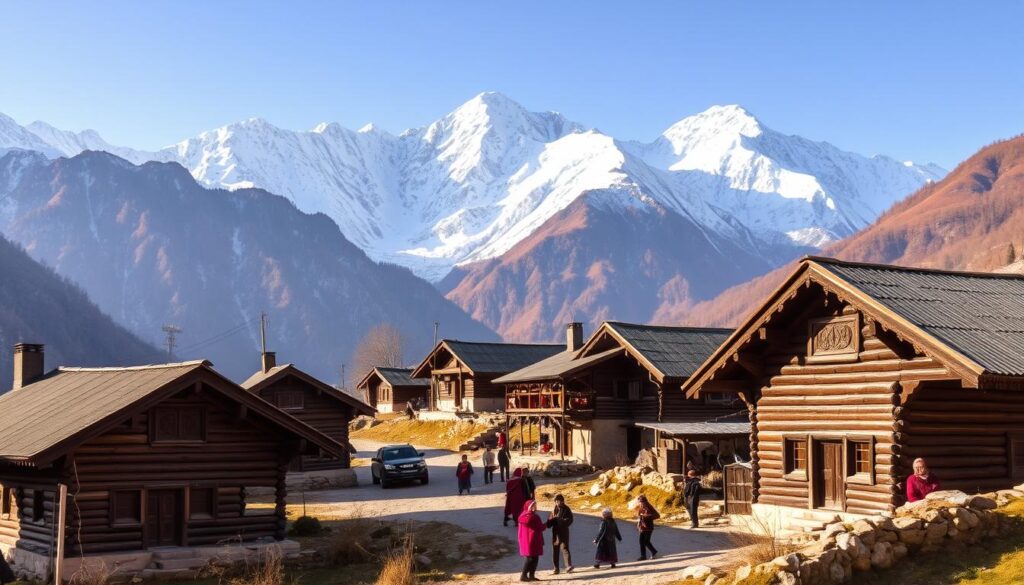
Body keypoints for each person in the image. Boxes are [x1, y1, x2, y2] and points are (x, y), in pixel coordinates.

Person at [518, 500, 546, 582]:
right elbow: (541, 527)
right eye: (533, 506)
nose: (535, 507)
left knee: (531, 558)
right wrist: (548, 521)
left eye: (535, 505)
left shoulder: (522, 515)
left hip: (525, 541)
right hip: (533, 540)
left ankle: (530, 575)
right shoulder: (534, 517)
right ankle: (525, 575)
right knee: (532, 559)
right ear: (529, 507)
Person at [546, 494, 574, 574]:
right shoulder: (554, 510)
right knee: (555, 550)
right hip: (555, 533)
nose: (556, 502)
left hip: (564, 531)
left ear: (562, 501)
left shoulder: (566, 509)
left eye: (558, 501)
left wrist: (561, 520)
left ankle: (568, 566)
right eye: (555, 501)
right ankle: (556, 568)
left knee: (565, 548)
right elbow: (549, 523)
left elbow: (570, 520)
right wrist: (550, 520)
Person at [635, 494, 660, 560]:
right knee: (641, 542)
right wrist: (638, 524)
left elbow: (657, 515)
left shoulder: (649, 507)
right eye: (639, 502)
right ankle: (643, 556)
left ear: (645, 501)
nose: (640, 503)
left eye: (641, 502)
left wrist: (646, 516)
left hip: (648, 527)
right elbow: (639, 517)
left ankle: (654, 552)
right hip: (642, 527)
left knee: (646, 541)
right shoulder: (640, 508)